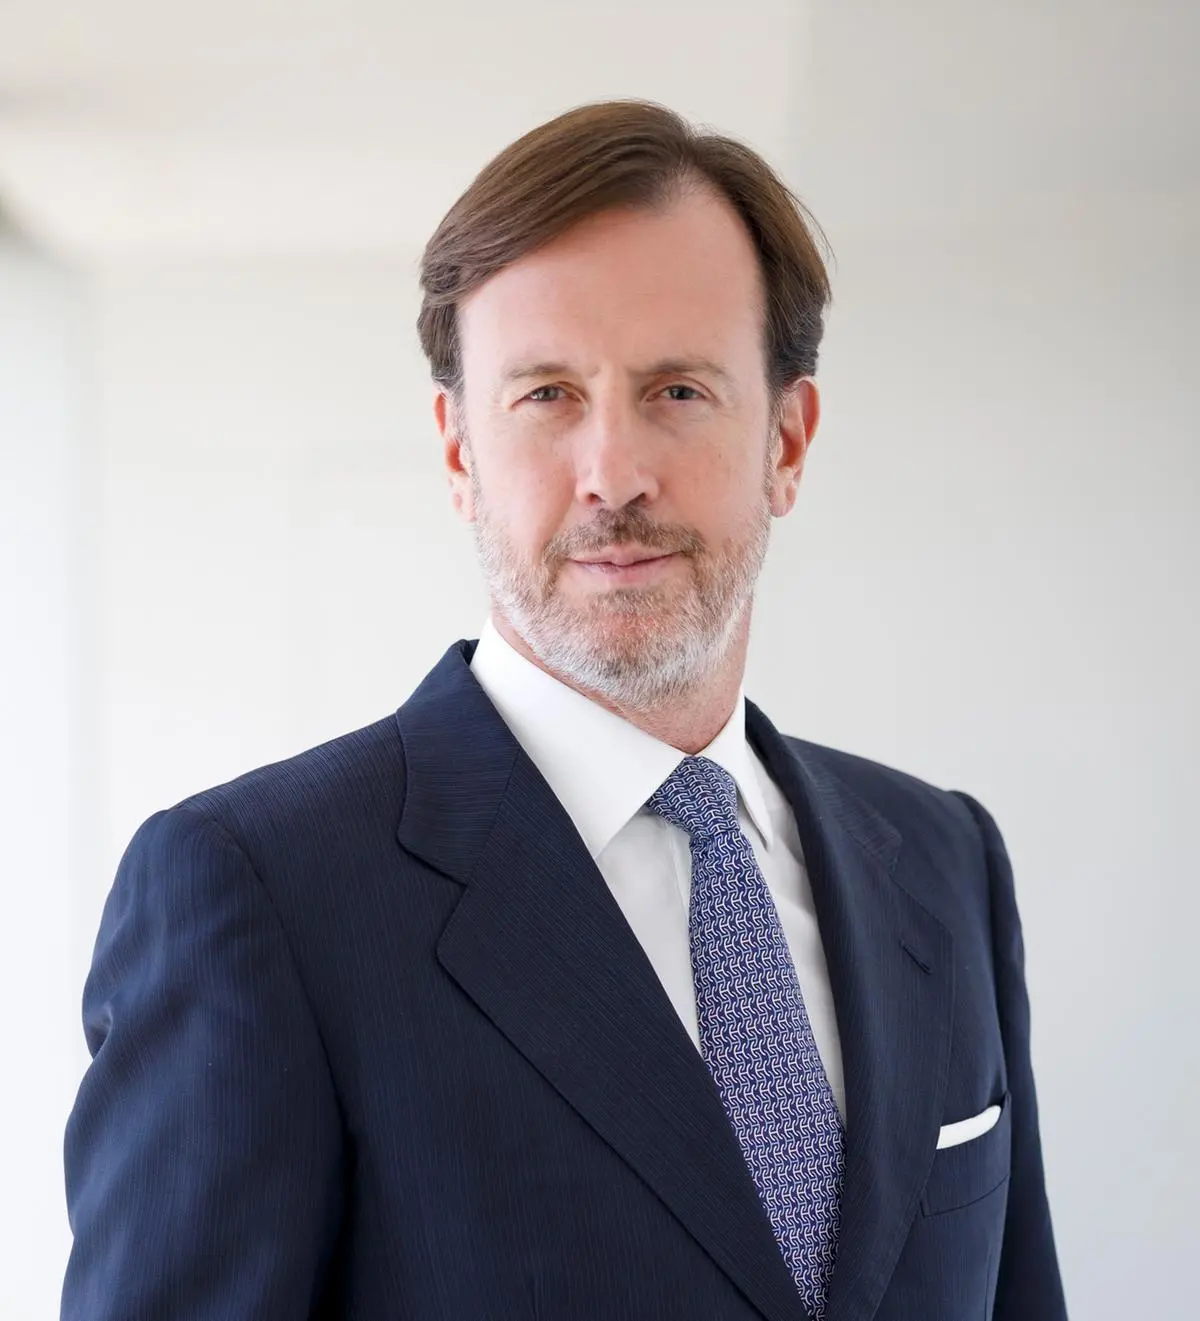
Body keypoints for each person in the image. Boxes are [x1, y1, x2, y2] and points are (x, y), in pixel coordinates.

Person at [61, 100, 1067, 1321]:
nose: (612, 475)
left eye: (678, 390)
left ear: (788, 442)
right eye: (545, 395)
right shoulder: (259, 894)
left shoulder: (946, 865)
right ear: (458, 451)